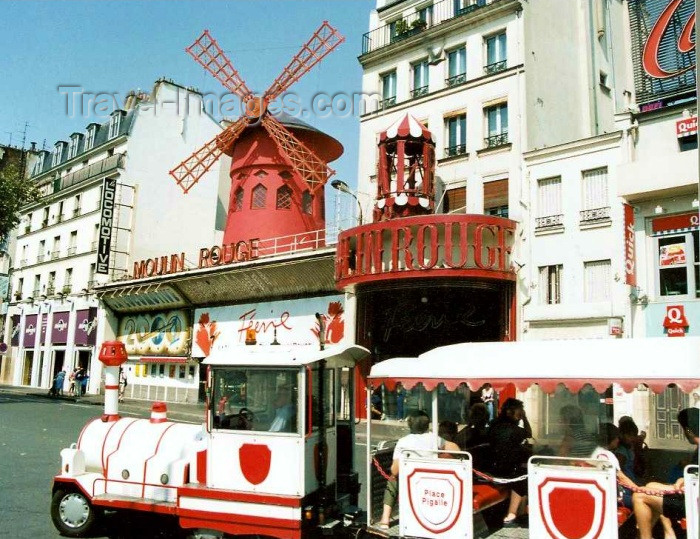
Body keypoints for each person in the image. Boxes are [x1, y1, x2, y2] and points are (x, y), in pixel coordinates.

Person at [378, 409, 459, 529]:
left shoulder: (403, 442)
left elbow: (394, 471)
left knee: (392, 479)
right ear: (427, 425)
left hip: (413, 483)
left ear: (410, 425)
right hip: (433, 481)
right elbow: (456, 450)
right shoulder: (434, 439)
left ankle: (385, 519)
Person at [633, 408, 699, 539]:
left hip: (692, 501)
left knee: (639, 495)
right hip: (691, 494)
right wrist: (683, 480)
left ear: (688, 431)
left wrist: (684, 481)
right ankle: (667, 533)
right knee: (651, 485)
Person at [488, 398, 532, 526]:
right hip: (502, 471)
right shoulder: (511, 429)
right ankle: (511, 514)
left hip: (495, 466)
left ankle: (519, 511)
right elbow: (528, 433)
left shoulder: (494, 424)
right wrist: (525, 419)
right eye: (519, 414)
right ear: (509, 412)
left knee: (522, 471)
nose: (520, 417)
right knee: (524, 475)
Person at [590, 423, 638, 508]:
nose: (618, 440)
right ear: (610, 438)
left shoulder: (595, 452)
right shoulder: (608, 455)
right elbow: (621, 477)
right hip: (613, 495)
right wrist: (638, 489)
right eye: (616, 438)